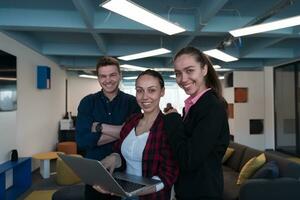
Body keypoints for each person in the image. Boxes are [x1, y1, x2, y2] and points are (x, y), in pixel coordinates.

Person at [93, 69, 179, 200]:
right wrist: (114, 158)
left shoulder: (168, 126)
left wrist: (132, 191)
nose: (145, 97)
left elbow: (168, 174)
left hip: (150, 196)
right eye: (140, 90)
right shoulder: (131, 120)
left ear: (162, 92)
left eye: (152, 90)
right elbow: (119, 150)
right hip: (124, 193)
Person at [163, 47, 230, 200]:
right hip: (189, 190)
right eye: (178, 73)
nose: (183, 79)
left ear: (204, 69)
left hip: (202, 193)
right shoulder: (195, 105)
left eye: (189, 70)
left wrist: (173, 119)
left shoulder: (212, 107)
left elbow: (188, 159)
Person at [76, 56, 141, 200]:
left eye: (112, 75)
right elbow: (82, 141)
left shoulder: (132, 103)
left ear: (120, 75)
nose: (108, 80)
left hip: (124, 169)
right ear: (98, 78)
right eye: (103, 76)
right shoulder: (88, 102)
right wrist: (120, 131)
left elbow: (134, 137)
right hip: (94, 171)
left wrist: (99, 127)